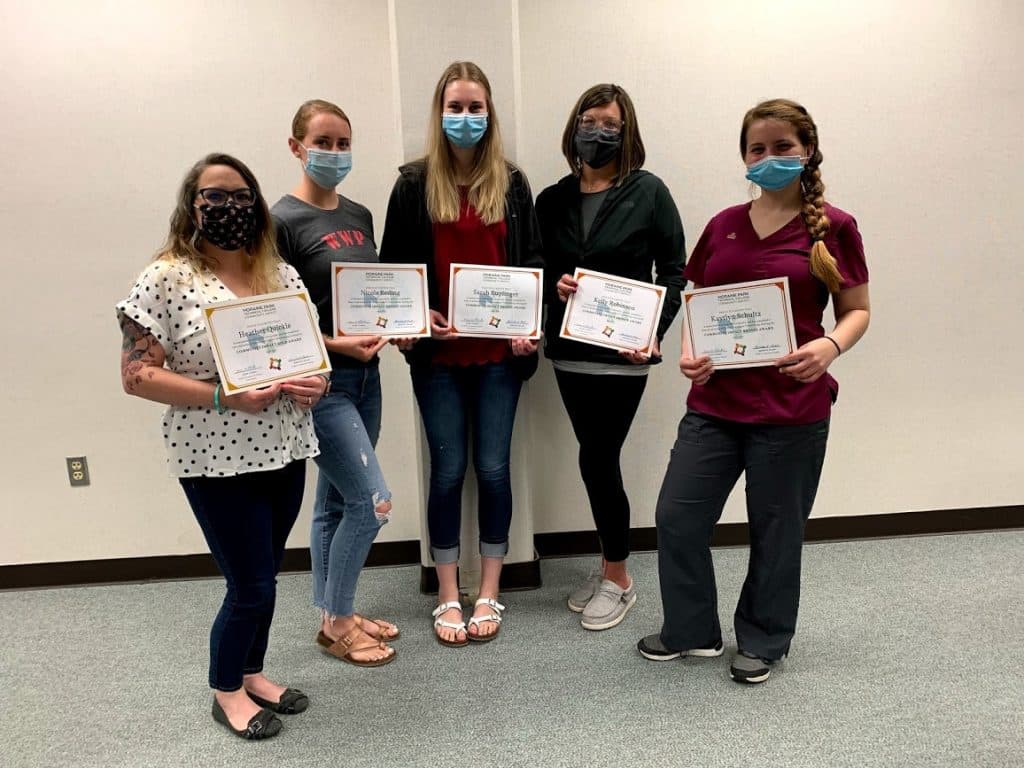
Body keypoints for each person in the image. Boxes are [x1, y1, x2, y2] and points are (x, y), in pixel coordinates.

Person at [638, 99, 870, 683]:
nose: (768, 157)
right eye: (757, 149)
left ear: (808, 151)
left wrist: (830, 347)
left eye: (782, 146)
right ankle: (690, 631)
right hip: (715, 406)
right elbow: (701, 305)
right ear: (744, 157)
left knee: (776, 529)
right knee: (677, 517)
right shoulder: (722, 225)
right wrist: (692, 353)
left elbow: (857, 310)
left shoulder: (835, 227)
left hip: (792, 407)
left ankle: (764, 640)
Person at [117, 153, 328, 739]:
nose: (229, 208)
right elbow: (136, 375)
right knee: (250, 583)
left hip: (284, 447)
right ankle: (225, 688)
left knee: (268, 573)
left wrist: (317, 381)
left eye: (241, 197)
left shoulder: (279, 272)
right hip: (214, 455)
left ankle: (252, 671)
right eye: (214, 197)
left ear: (258, 206)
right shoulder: (165, 278)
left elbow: (314, 356)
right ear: (191, 207)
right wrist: (224, 397)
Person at [379, 61, 543, 647]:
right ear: (439, 112)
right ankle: (449, 593)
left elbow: (534, 268)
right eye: (455, 107)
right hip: (438, 360)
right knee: (448, 471)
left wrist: (532, 327)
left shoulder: (514, 184)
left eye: (476, 108)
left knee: (494, 470)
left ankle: (491, 590)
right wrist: (416, 317)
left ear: (490, 113)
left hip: (501, 357)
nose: (466, 118)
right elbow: (392, 274)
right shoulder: (412, 185)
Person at [536, 84, 685, 631]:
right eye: (589, 120)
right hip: (569, 354)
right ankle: (610, 568)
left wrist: (654, 333)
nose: (597, 131)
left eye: (610, 123)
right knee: (593, 458)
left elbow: (673, 272)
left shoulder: (649, 192)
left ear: (627, 133)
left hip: (622, 357)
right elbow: (537, 267)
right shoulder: (552, 199)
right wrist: (555, 286)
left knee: (598, 458)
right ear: (574, 126)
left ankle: (620, 578)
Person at [271, 99, 397, 667]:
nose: (335, 153)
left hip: (369, 379)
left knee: (334, 504)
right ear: (297, 147)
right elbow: (274, 322)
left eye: (345, 143)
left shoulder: (360, 214)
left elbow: (373, 297)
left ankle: (332, 615)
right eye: (324, 142)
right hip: (321, 386)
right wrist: (337, 345)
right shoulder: (280, 222)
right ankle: (341, 621)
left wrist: (403, 325)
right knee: (371, 505)